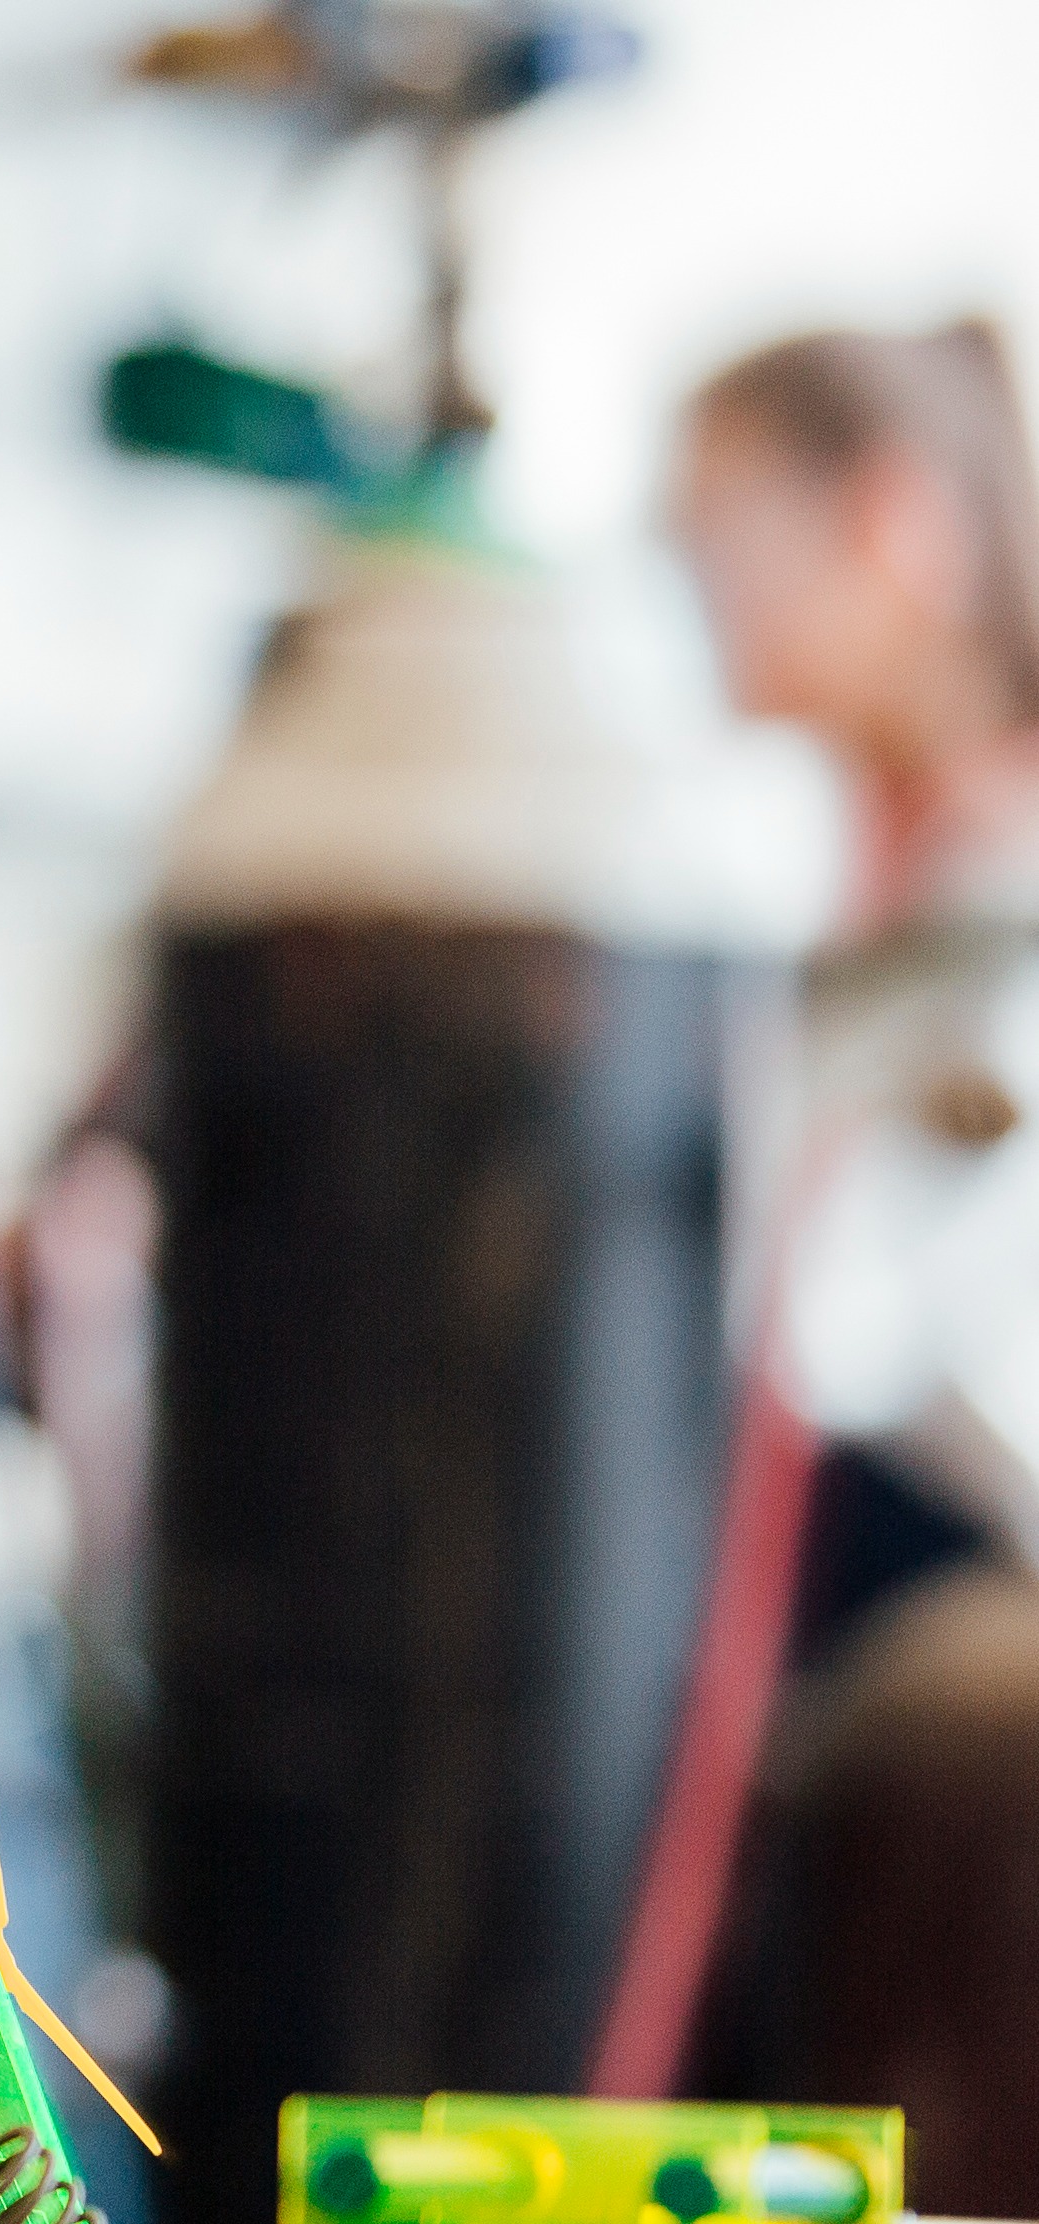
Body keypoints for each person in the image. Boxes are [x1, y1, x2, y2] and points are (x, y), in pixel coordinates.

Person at [667, 321, 1039, 2199]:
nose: (685, 582)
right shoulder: (813, 910)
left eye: (723, 528)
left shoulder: (1000, 923)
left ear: (893, 524)